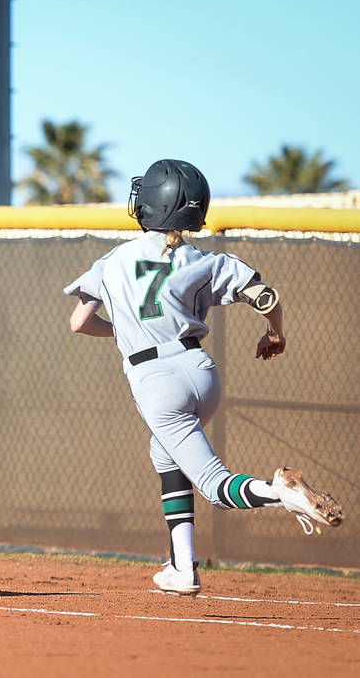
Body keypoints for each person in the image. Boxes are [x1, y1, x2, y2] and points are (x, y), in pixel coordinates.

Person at [63, 159, 343, 596]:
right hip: (201, 371)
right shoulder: (206, 260)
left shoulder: (113, 260)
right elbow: (265, 296)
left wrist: (127, 330)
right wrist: (276, 333)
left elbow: (79, 323)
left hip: (156, 380)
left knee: (215, 484)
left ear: (149, 205)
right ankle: (181, 566)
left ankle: (282, 492)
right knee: (165, 455)